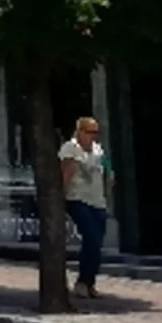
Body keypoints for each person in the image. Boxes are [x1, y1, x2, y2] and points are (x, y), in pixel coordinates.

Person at [59, 116, 115, 299]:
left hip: (97, 201)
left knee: (97, 243)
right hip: (77, 199)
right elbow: (65, 173)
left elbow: (106, 165)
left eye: (95, 132)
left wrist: (110, 175)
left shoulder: (98, 150)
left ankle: (90, 282)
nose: (92, 136)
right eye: (89, 132)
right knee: (90, 237)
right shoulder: (71, 148)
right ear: (80, 132)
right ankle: (82, 282)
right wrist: (61, 198)